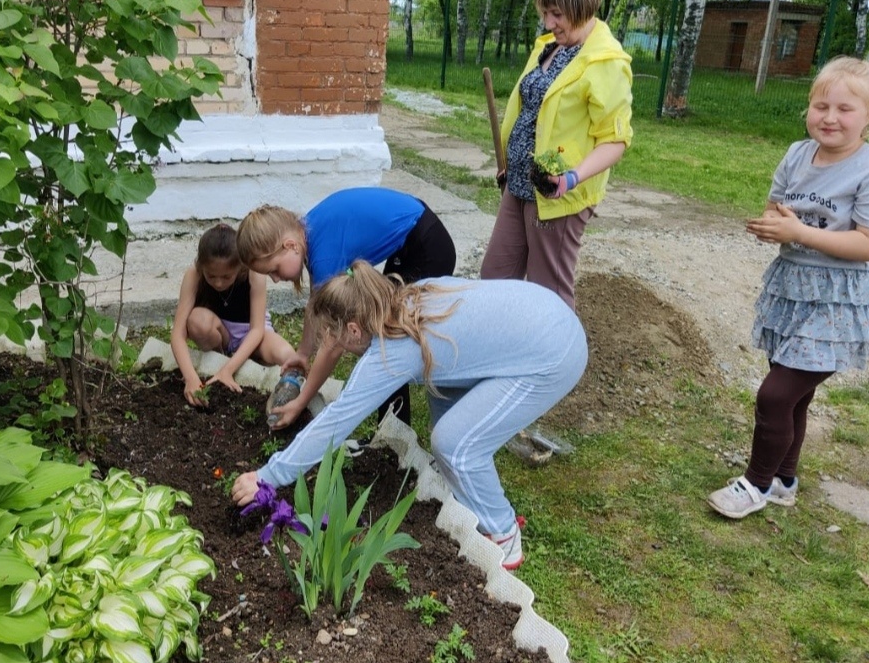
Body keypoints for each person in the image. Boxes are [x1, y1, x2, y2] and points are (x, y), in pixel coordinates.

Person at [231, 260, 588, 569]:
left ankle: (502, 531)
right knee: (444, 397)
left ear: (354, 330)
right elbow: (450, 368)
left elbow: (336, 421)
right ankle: (463, 488)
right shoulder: (407, 300)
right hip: (545, 312)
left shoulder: (392, 352)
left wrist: (268, 476)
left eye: (333, 337)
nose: (334, 345)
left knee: (456, 445)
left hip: (552, 355)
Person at [707, 56, 869, 520]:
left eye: (845, 109)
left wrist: (799, 234)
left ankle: (754, 485)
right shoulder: (797, 154)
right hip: (792, 288)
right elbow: (778, 208)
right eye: (820, 106)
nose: (830, 118)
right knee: (794, 394)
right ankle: (783, 481)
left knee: (776, 394)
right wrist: (772, 225)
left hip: (839, 301)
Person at [480, 0, 633, 311]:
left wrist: (571, 178)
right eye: (546, 13)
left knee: (548, 294)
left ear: (582, 9)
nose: (549, 23)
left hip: (557, 195)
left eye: (557, 14)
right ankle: (497, 353)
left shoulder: (605, 62)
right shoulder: (550, 46)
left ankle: (557, 364)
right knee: (493, 279)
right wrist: (509, 163)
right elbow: (532, 111)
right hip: (518, 184)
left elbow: (615, 140)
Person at [236, 187, 456, 428]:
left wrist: (301, 401)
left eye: (274, 270)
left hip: (428, 246)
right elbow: (316, 303)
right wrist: (303, 354)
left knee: (388, 339)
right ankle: (391, 430)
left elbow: (333, 344)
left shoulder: (323, 258)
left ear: (290, 246)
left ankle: (395, 433)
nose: (276, 280)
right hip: (414, 234)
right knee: (385, 334)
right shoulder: (306, 231)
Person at [171, 224, 297, 407]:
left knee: (287, 354)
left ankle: (292, 397)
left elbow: (256, 329)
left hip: (253, 333)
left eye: (226, 276)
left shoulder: (254, 273)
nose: (219, 283)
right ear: (201, 266)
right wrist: (190, 378)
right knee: (197, 320)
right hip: (220, 332)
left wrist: (227, 371)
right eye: (211, 276)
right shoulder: (193, 274)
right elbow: (178, 334)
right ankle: (219, 357)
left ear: (240, 266)